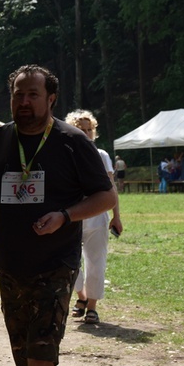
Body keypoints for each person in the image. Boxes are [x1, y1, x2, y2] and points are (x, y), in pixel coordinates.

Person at [0, 64, 117, 366]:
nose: (24, 101)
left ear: (51, 98)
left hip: (55, 262)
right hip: (9, 262)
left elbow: (106, 197)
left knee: (41, 353)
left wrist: (65, 216)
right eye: (18, 94)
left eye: (33, 94)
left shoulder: (72, 142)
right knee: (26, 356)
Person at [65, 110, 123, 325]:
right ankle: (81, 297)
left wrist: (116, 215)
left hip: (98, 215)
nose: (87, 133)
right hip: (72, 214)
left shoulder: (102, 155)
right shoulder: (66, 154)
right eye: (82, 130)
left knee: (96, 261)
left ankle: (92, 306)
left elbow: (110, 187)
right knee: (71, 261)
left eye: (90, 130)